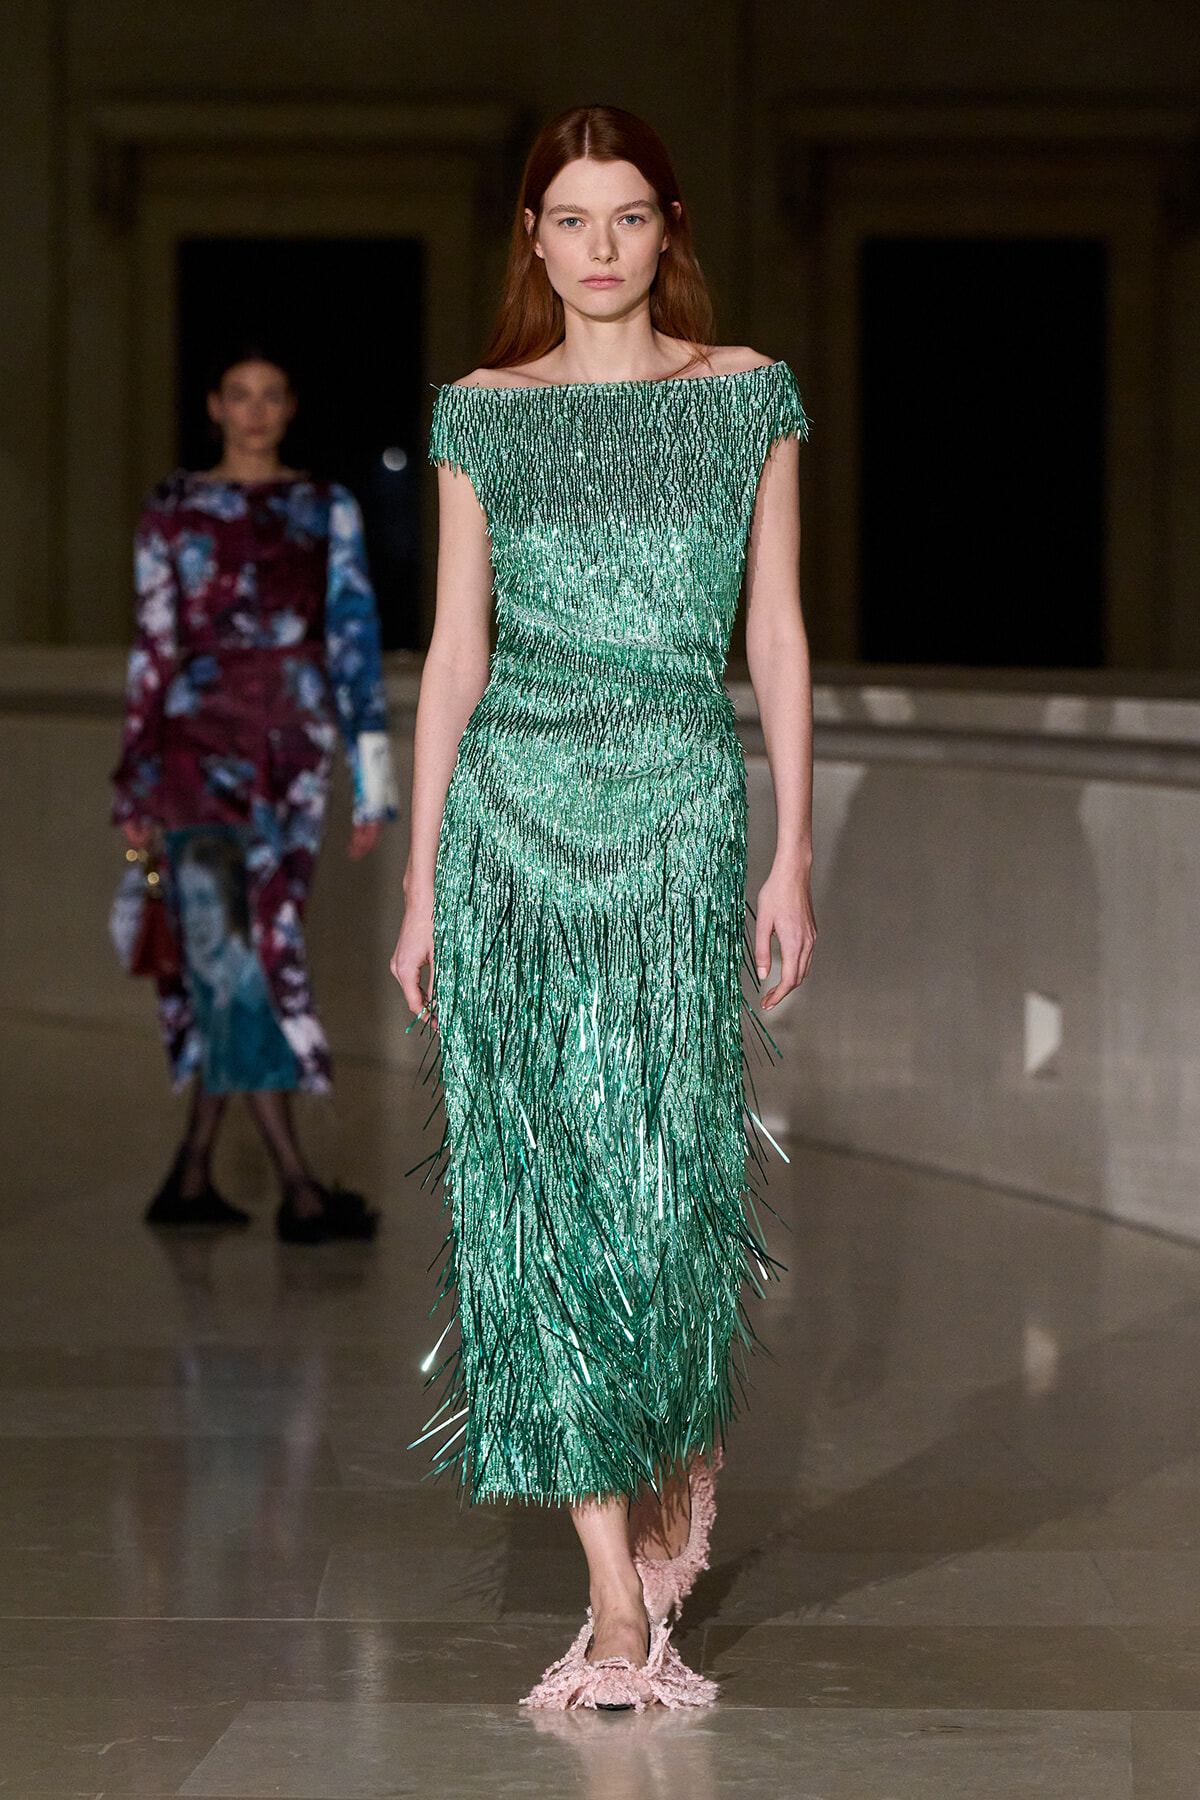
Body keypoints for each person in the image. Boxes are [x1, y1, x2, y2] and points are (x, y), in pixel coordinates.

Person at [390, 104, 815, 1709]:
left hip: (681, 813)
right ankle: (613, 1610)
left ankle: (673, 1458)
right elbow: (455, 654)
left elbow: (773, 632)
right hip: (512, 821)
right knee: (536, 1191)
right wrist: (426, 877)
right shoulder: (480, 415)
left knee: (667, 1180)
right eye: (569, 220)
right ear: (534, 240)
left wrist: (790, 849)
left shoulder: (745, 397)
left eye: (626, 216)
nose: (600, 247)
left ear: (669, 226)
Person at [113, 346, 396, 1244]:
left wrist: (374, 783)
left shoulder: (326, 506)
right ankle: (299, 1189)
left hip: (295, 757)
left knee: (248, 955)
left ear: (291, 407)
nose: (255, 410)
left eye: (272, 395)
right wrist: (136, 780)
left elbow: (354, 633)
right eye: (239, 395)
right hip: (197, 754)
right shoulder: (174, 507)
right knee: (239, 957)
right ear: (213, 406)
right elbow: (152, 646)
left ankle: (192, 1175)